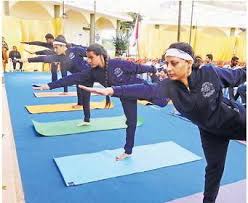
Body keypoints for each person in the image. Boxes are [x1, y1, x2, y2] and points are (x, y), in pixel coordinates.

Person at [78, 42, 246, 203]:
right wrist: (113, 90)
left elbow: (240, 75)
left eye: (174, 63)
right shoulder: (169, 87)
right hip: (210, 132)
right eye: (167, 63)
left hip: (236, 120)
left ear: (189, 62)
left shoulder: (209, 73)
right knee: (214, 170)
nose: (168, 68)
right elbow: (146, 89)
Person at [32, 43, 166, 161]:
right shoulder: (93, 73)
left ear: (100, 55)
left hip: (140, 88)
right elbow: (73, 78)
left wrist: (155, 70)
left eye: (91, 57)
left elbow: (139, 68)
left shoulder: (117, 64)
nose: (88, 61)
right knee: (131, 123)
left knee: (163, 102)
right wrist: (49, 86)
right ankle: (128, 151)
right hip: (126, 97)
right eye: (87, 58)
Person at [21, 35, 90, 122]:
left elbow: (90, 52)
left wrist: (93, 59)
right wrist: (27, 60)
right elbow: (43, 58)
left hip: (88, 74)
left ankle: (86, 117)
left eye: (56, 48)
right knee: (80, 90)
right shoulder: (59, 57)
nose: (55, 50)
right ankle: (85, 116)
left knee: (86, 97)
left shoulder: (75, 50)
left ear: (63, 46)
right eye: (54, 48)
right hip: (77, 77)